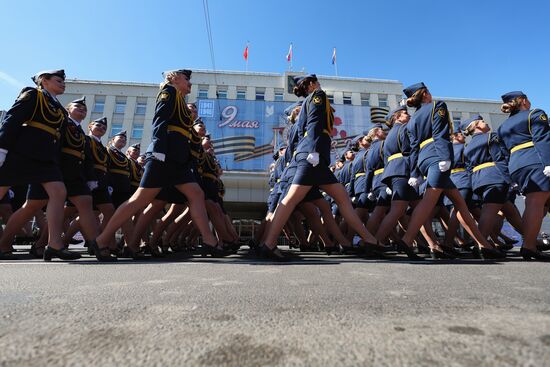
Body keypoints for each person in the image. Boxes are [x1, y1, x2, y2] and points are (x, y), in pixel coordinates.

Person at [93, 69, 224, 260]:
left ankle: (209, 240)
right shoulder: (168, 92)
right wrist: (158, 152)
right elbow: (159, 122)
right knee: (139, 200)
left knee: (196, 194)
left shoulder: (180, 99)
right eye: (187, 79)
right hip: (164, 156)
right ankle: (102, 240)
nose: (190, 84)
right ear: (176, 78)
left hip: (178, 160)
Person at [256, 74, 381, 261]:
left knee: (342, 198)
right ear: (312, 84)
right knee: (291, 200)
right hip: (312, 156)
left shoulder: (306, 103)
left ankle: (370, 240)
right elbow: (314, 121)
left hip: (314, 158)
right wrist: (313, 150)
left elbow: (297, 136)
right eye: (317, 81)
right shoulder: (318, 95)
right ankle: (269, 243)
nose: (319, 84)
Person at [398, 82, 503, 260]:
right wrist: (445, 156)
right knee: (428, 200)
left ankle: (483, 245)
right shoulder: (436, 106)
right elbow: (440, 134)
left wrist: (415, 172)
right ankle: (407, 240)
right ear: (425, 94)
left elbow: (414, 147)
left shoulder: (413, 120)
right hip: (437, 157)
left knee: (460, 204)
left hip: (424, 159)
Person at [0, 70, 80, 261]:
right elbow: (12, 120)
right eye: (58, 80)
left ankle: (54, 244)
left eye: (64, 81)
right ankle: (3, 245)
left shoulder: (60, 109)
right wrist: (2, 149)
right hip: (22, 154)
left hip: (46, 160)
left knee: (59, 192)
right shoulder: (33, 94)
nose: (63, 84)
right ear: (44, 81)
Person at [497, 91, 550, 261]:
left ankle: (530, 242)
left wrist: (509, 177)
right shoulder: (535, 114)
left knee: (540, 203)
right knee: (536, 202)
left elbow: (503, 153)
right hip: (536, 159)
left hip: (517, 165)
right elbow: (542, 139)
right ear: (524, 101)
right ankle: (529, 246)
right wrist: (548, 162)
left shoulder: (502, 126)